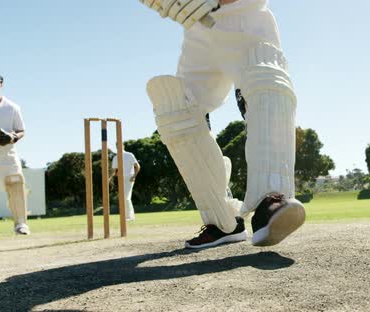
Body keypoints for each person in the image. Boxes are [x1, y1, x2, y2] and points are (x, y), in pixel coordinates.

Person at [140, 0, 306, 249]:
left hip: (243, 15)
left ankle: (271, 202)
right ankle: (224, 220)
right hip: (196, 29)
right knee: (177, 112)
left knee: (267, 86)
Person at [0, 72, 30, 235]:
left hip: (7, 154)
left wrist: (12, 137)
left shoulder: (12, 107)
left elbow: (21, 130)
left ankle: (21, 224)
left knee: (16, 184)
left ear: (1, 85)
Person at [110, 151, 141, 221]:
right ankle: (129, 216)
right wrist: (109, 178)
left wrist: (134, 176)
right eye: (116, 145)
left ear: (123, 145)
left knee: (126, 197)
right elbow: (114, 171)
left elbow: (138, 166)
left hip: (129, 178)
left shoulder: (130, 155)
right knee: (123, 198)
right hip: (120, 178)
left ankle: (129, 217)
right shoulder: (115, 157)